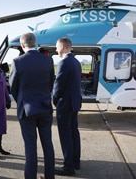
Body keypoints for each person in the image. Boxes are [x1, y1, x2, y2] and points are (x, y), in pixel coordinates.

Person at [9, 32, 55, 179]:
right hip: (45, 107)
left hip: (27, 109)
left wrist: (21, 100)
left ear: (22, 45)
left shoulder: (17, 62)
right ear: (35, 43)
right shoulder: (48, 61)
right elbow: (50, 84)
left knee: (30, 148)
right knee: (48, 145)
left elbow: (13, 88)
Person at [52, 37, 82, 176]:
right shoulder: (76, 62)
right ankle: (76, 162)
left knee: (65, 134)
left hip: (65, 103)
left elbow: (59, 84)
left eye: (57, 47)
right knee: (73, 132)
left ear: (63, 47)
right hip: (74, 102)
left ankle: (68, 167)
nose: (56, 49)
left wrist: (54, 98)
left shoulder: (64, 62)